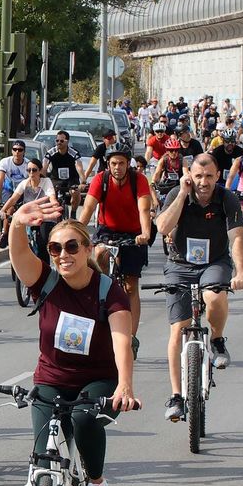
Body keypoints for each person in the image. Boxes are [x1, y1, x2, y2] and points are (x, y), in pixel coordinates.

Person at [3, 199, 141, 486]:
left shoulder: (108, 290)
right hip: (51, 379)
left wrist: (125, 386)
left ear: (87, 250)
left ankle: (96, 484)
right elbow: (17, 257)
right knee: (39, 466)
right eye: (55, 248)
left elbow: (121, 340)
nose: (63, 255)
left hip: (99, 379)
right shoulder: (46, 282)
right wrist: (17, 222)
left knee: (83, 419)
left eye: (71, 247)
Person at [155, 154, 243, 420]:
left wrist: (241, 272)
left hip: (214, 261)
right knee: (178, 329)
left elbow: (236, 239)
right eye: (198, 176)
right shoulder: (178, 192)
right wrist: (182, 195)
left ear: (218, 176)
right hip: (179, 263)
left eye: (209, 176)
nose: (203, 182)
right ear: (191, 175)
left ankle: (217, 339)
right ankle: (176, 396)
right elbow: (162, 227)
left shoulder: (227, 198)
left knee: (214, 295)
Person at [78, 149, 153, 352]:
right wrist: (75, 232)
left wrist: (145, 233)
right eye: (113, 164)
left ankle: (132, 338)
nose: (117, 168)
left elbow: (144, 209)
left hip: (133, 232)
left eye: (121, 163)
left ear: (128, 164)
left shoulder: (139, 180)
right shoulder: (101, 179)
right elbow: (88, 208)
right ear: (108, 164)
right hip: (107, 230)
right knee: (100, 255)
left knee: (130, 286)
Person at [2, 159, 57, 253]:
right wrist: (3, 210)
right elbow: (13, 199)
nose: (31, 173)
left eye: (34, 170)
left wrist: (54, 204)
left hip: (43, 216)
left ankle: (44, 265)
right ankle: (5, 236)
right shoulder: (24, 183)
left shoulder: (46, 181)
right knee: (18, 243)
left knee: (43, 243)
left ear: (40, 171)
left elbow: (52, 196)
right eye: (29, 170)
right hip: (28, 216)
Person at [45, 132, 84, 214]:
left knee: (75, 192)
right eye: (57, 140)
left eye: (62, 141)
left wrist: (83, 180)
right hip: (56, 179)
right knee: (50, 194)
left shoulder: (74, 153)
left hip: (71, 179)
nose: (59, 142)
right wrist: (41, 177)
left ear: (67, 141)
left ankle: (73, 213)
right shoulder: (50, 152)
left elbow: (79, 166)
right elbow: (44, 166)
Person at [0, 141, 32, 221]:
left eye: (20, 150)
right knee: (10, 208)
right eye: (15, 149)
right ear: (12, 151)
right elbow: (0, 181)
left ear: (24, 151)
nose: (17, 152)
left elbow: (32, 181)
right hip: (8, 189)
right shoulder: (5, 162)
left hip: (22, 191)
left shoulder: (28, 164)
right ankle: (5, 232)